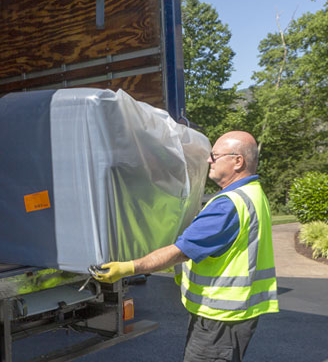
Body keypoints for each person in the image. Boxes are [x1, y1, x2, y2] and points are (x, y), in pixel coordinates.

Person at [94, 131, 279, 362]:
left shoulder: (227, 206)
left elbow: (180, 251)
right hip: (235, 316)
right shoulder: (253, 194)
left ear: (237, 161)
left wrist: (129, 267)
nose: (209, 160)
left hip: (219, 319)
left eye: (215, 155)